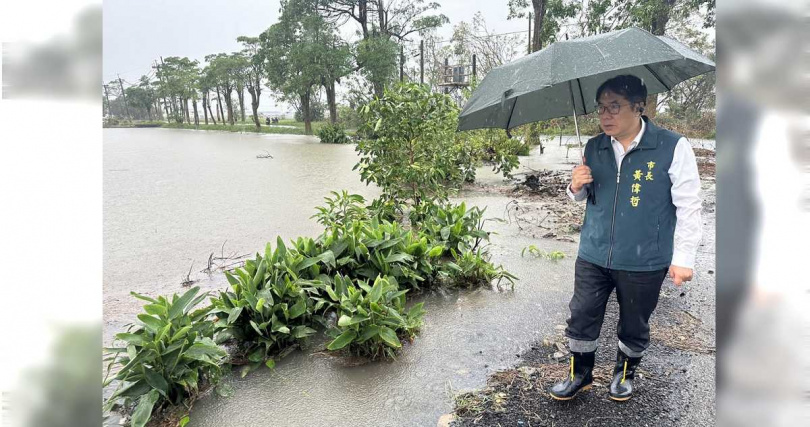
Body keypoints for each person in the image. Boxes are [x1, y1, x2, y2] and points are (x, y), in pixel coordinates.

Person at [548, 74, 702, 402]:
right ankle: (580, 374)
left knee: (635, 320)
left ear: (639, 107)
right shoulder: (594, 146)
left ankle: (624, 373)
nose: (605, 115)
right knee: (582, 313)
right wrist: (575, 185)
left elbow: (689, 205)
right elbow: (585, 195)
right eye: (601, 108)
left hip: (645, 258)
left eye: (614, 107)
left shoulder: (672, 146)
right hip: (594, 252)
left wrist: (683, 257)